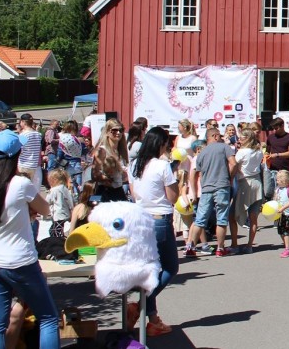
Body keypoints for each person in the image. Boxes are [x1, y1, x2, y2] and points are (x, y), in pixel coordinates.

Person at [0, 130, 60, 349]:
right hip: (19, 261)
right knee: (48, 318)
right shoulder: (20, 184)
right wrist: (30, 210)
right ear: (17, 155)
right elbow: (46, 210)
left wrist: (25, 211)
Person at [126, 126, 179, 337]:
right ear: (162, 144)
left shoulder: (135, 165)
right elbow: (172, 197)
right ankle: (141, 304)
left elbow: (133, 192)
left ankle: (153, 318)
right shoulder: (162, 166)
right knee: (170, 267)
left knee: (151, 271)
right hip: (159, 219)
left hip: (140, 219)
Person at [189, 129, 237, 257]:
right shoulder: (224, 147)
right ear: (215, 136)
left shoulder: (202, 152)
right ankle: (220, 248)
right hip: (222, 186)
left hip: (206, 188)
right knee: (221, 219)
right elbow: (233, 163)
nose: (221, 138)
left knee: (200, 219)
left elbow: (197, 172)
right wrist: (229, 178)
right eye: (219, 136)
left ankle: (191, 247)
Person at [232, 129, 264, 253]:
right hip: (257, 182)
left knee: (233, 215)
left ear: (247, 138)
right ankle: (249, 245)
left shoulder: (242, 152)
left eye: (241, 138)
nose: (239, 140)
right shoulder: (258, 151)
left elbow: (234, 165)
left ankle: (235, 244)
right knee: (253, 217)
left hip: (244, 182)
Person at [90, 118, 130, 202]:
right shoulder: (102, 151)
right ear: (107, 132)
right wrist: (107, 178)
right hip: (106, 191)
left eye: (121, 130)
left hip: (119, 190)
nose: (118, 133)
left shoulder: (120, 151)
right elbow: (94, 174)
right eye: (114, 130)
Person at [271, 170, 289, 258]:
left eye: (278, 179)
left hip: (286, 213)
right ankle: (287, 246)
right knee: (280, 231)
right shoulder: (278, 189)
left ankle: (287, 249)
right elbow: (275, 199)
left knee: (285, 231)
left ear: (283, 180)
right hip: (278, 213)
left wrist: (283, 208)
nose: (276, 181)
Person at [16, 114, 44, 187]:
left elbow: (19, 151)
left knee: (23, 190)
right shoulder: (38, 134)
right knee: (35, 191)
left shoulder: (23, 135)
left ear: (23, 122)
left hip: (24, 166)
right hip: (35, 166)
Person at [57, 121, 84, 194]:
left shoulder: (63, 139)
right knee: (79, 185)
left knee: (69, 184)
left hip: (67, 164)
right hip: (78, 163)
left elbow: (60, 152)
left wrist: (58, 160)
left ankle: (72, 200)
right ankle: (79, 199)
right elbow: (83, 151)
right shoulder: (78, 139)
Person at [45, 170, 73, 238]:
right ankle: (60, 240)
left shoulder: (54, 190)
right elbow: (70, 201)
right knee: (57, 230)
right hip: (64, 213)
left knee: (54, 231)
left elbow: (47, 201)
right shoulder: (64, 188)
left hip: (58, 214)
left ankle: (59, 242)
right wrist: (72, 209)